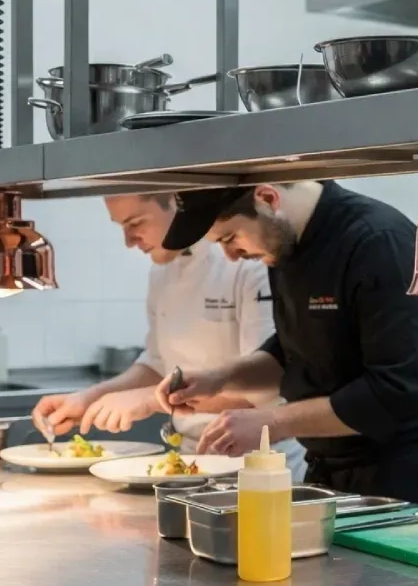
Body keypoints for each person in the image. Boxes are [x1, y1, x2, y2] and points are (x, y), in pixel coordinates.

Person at [153, 181, 418, 506]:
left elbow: (398, 390)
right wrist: (219, 378)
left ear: (267, 198)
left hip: (402, 480)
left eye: (230, 238)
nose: (231, 256)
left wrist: (272, 423)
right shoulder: (284, 244)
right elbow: (296, 353)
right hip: (326, 473)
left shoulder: (379, 242)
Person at [32, 192, 305, 477]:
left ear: (177, 204)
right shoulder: (162, 272)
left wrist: (152, 399)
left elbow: (266, 387)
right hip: (190, 459)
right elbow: (158, 365)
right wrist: (89, 398)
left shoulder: (244, 259)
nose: (129, 240)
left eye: (135, 222)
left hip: (260, 464)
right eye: (121, 226)